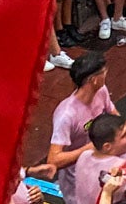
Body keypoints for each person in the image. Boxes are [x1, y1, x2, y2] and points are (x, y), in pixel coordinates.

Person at [48, 51, 120, 200]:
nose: (106, 74)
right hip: (77, 179)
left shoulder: (101, 91)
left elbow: (114, 115)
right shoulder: (66, 115)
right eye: (103, 72)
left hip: (101, 166)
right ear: (93, 80)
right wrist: (90, 148)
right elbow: (53, 160)